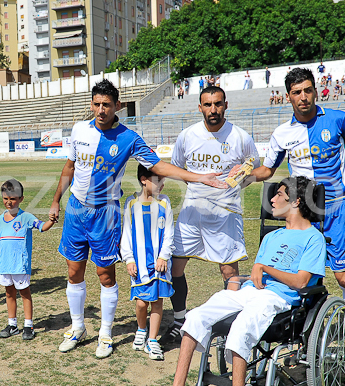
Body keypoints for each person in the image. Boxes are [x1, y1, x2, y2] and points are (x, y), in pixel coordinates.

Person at [145, 176, 327, 386]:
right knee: (197, 316)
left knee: (240, 331)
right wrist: (241, 278)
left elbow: (302, 281)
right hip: (250, 291)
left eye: (279, 195)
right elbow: (257, 274)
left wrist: (264, 269)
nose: (273, 200)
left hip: (278, 299)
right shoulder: (272, 236)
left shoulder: (313, 237)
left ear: (296, 201)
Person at [48, 79, 226, 359]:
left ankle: (105, 334)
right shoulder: (79, 129)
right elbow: (69, 167)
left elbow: (157, 165)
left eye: (106, 105)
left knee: (105, 274)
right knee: (73, 271)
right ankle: (77, 327)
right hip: (75, 209)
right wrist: (56, 200)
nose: (100, 110)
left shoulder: (129, 138)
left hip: (105, 213)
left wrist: (198, 176)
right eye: (96, 104)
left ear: (117, 106)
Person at [249, 67, 345, 364]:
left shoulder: (338, 119)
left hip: (336, 209)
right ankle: (307, 338)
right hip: (303, 216)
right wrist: (241, 176)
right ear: (288, 97)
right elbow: (267, 170)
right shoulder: (282, 134)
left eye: (307, 90)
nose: (303, 97)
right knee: (304, 280)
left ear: (315, 91)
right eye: (296, 93)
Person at [163, 86, 259, 345]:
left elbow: (257, 170)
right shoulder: (187, 136)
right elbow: (178, 168)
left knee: (230, 272)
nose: (213, 110)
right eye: (207, 105)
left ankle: (230, 324)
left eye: (217, 104)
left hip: (225, 214)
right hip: (192, 212)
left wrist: (241, 178)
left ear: (225, 105)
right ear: (200, 107)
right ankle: (179, 320)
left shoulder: (240, 137)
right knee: (175, 267)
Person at [120, 164, 174, 361]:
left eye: (163, 179)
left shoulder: (164, 203)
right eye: (157, 179)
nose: (162, 184)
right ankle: (141, 329)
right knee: (142, 302)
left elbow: (169, 232)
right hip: (140, 263)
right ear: (144, 179)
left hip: (159, 263)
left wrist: (164, 256)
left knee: (157, 301)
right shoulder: (131, 203)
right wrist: (129, 259)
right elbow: (125, 233)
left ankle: (152, 340)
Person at [0, 179, 56, 340]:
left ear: (21, 199)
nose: (9, 202)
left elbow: (42, 227)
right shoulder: (1, 218)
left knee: (24, 294)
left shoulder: (26, 217)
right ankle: (12, 324)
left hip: (20, 266)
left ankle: (28, 325)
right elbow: (1, 242)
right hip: (5, 265)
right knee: (9, 294)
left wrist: (51, 221)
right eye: (6, 199)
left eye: (13, 199)